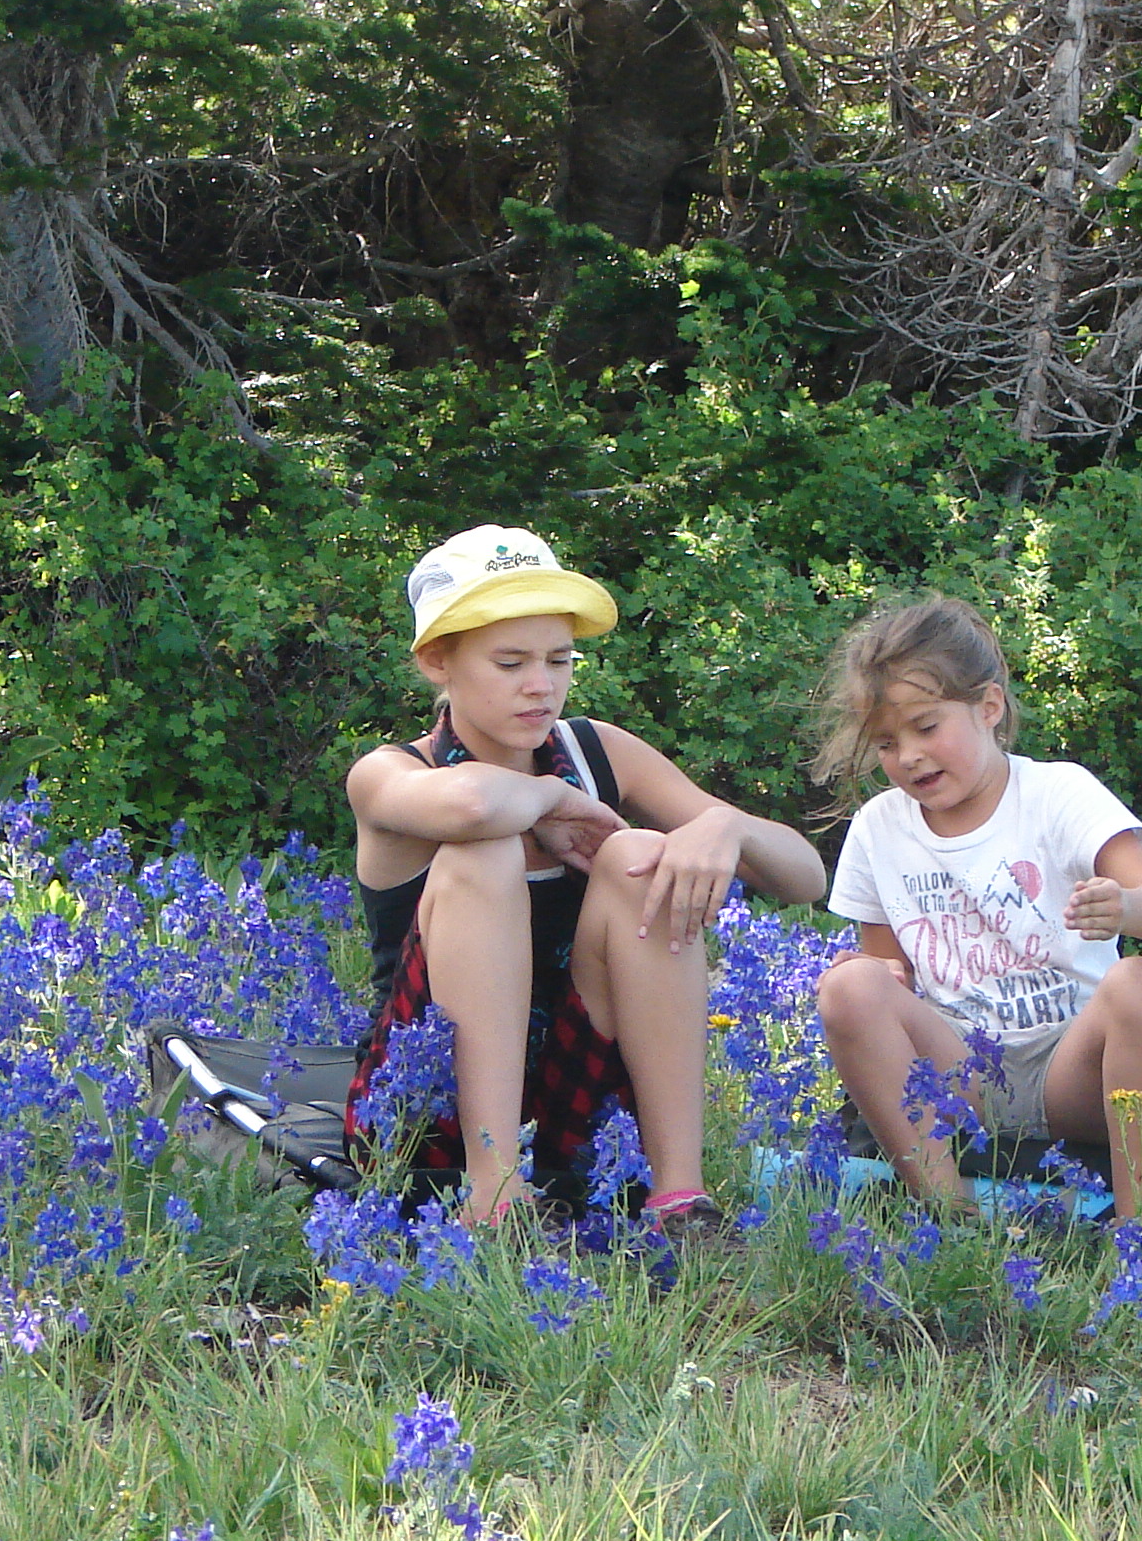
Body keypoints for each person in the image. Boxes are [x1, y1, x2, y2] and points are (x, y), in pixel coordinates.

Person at [345, 525, 827, 1227]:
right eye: (510, 663)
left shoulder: (595, 748)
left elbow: (806, 877)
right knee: (486, 849)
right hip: (422, 1112)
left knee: (639, 859)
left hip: (581, 1103)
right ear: (437, 661)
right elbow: (474, 804)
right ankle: (495, 1194)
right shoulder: (389, 773)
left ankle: (677, 1195)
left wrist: (727, 825)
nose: (541, 686)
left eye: (559, 659)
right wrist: (551, 799)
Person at [813, 597, 1142, 1223]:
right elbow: (887, 972)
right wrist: (875, 978)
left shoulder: (1056, 792)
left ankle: (1139, 1231)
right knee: (847, 986)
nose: (908, 755)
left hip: (1074, 1067)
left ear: (989, 707)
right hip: (961, 1073)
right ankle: (947, 1213)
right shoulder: (880, 827)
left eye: (926, 727)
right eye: (885, 742)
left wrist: (1124, 906)